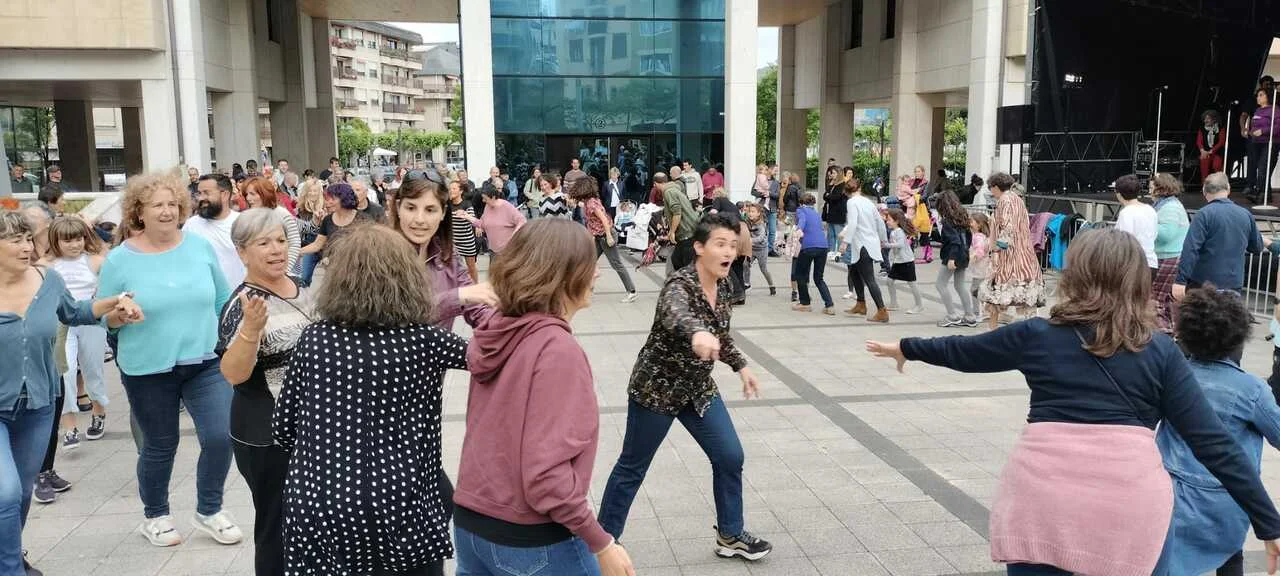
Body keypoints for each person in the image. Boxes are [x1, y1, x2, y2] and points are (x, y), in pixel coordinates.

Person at [866, 228, 1280, 576]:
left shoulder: (1036, 335)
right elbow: (1214, 444)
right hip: (1129, 507)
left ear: (1075, 275)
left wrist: (907, 347)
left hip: (1041, 502)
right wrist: (1268, 523)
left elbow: (963, 351)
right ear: (1138, 281)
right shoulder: (1159, 351)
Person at [273, 224, 466, 576]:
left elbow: (283, 428)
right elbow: (495, 357)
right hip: (402, 506)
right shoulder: (426, 341)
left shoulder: (314, 339)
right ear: (408, 280)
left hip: (320, 506)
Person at [451, 220, 633, 576]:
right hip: (531, 539)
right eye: (589, 264)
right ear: (562, 275)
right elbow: (546, 476)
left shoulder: (497, 331)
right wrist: (601, 542)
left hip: (472, 525)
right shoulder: (557, 349)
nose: (597, 272)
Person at [598, 214, 772, 563]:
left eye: (733, 245)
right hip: (657, 389)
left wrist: (741, 366)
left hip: (698, 389)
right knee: (632, 467)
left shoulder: (724, 285)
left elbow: (721, 335)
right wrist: (697, 332)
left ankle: (730, 534)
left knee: (730, 456)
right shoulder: (679, 284)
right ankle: (601, 544)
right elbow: (675, 313)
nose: (729, 252)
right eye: (720, 244)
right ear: (699, 248)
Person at [96, 169, 243, 547]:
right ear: (138, 212)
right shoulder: (119, 260)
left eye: (172, 204)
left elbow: (221, 300)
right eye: (156, 205)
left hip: (205, 361)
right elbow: (103, 316)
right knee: (160, 445)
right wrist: (119, 315)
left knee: (220, 436)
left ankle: (209, 509)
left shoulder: (199, 247)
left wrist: (234, 341)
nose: (166, 211)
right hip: (148, 367)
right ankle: (156, 515)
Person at [0, 211, 141, 576]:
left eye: (27, 239)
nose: (26, 247)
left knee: (23, 493)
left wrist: (114, 303)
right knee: (5, 493)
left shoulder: (47, 279)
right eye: (14, 241)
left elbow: (75, 312)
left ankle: (9, 555)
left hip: (38, 405)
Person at [1153, 287, 1278, 575]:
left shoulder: (1173, 375)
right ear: (1239, 338)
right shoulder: (1252, 389)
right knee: (1230, 557)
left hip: (1171, 496)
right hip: (1228, 498)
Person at [216, 208, 314, 576]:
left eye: (280, 240)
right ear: (242, 252)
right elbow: (234, 374)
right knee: (277, 526)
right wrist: (251, 330)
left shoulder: (302, 287)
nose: (276, 249)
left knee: (311, 523)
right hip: (267, 435)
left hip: (312, 430)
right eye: (263, 243)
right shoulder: (243, 303)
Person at [47, 217, 111, 450]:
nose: (74, 244)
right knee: (65, 372)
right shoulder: (47, 265)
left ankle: (99, 411)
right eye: (67, 240)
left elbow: (110, 286)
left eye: (78, 239)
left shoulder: (96, 261)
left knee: (93, 370)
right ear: (56, 241)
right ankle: (70, 426)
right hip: (60, 324)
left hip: (91, 321)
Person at [1174, 172, 1263, 299]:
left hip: (1203, 283)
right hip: (1233, 283)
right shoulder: (1245, 214)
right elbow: (1257, 247)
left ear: (1204, 191)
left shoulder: (1203, 214)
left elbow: (1191, 249)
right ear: (1228, 188)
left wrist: (1181, 280)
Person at [979, 172, 1045, 329]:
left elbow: (1008, 228)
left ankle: (993, 330)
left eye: (991, 188)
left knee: (996, 292)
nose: (991, 191)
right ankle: (1031, 329)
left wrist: (997, 250)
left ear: (996, 187)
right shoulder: (1017, 199)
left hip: (1009, 255)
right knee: (1026, 294)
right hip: (1025, 252)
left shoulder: (1005, 200)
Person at [567, 177, 638, 303]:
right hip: (600, 236)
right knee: (589, 261)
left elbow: (604, 220)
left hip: (605, 236)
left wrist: (609, 237)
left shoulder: (592, 203)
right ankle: (587, 290)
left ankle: (631, 291)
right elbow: (581, 206)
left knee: (616, 264)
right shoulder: (589, 201)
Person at [839, 179, 889, 322]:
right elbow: (880, 222)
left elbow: (853, 223)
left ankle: (882, 310)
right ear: (859, 189)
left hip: (861, 245)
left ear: (846, 192)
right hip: (868, 243)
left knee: (869, 279)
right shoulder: (868, 202)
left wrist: (845, 242)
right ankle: (861, 304)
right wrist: (883, 239)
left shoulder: (851, 202)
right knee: (854, 272)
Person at [187, 174, 246, 287]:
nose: (201, 198)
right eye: (199, 193)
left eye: (206, 193)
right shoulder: (191, 225)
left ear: (224, 195)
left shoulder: (243, 223)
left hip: (239, 293)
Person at [297, 182, 371, 266]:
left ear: (344, 199)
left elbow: (368, 247)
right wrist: (296, 252)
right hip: (334, 267)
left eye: (332, 199)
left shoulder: (363, 219)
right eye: (327, 199)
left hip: (356, 266)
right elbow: (317, 245)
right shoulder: (328, 220)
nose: (327, 202)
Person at [1151, 173, 1189, 332]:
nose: (1150, 190)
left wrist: (1147, 226)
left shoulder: (1170, 208)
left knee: (1158, 298)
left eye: (1152, 187)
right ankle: (1168, 331)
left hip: (1168, 257)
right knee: (1163, 298)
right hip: (1167, 255)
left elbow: (1167, 234)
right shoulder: (1167, 205)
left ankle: (1162, 332)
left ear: (1161, 188)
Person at [934, 190, 977, 327]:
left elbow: (954, 241)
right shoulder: (963, 216)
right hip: (963, 254)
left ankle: (952, 315)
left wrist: (951, 259)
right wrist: (966, 252)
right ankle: (970, 316)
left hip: (952, 255)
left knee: (940, 284)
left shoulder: (948, 221)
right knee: (960, 285)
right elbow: (968, 237)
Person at [241, 177, 300, 274]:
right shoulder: (247, 216)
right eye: (246, 194)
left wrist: (284, 269)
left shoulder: (281, 214)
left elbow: (294, 243)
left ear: (264, 194)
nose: (248, 198)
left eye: (252, 194)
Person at [457, 184, 526, 265]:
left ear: (493, 197)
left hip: (507, 252)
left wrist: (514, 236)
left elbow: (522, 221)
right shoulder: (488, 206)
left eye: (485, 198)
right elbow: (482, 224)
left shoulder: (506, 206)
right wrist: (467, 216)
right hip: (493, 251)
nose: (483, 201)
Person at [791, 193, 835, 315]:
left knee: (800, 274)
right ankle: (829, 305)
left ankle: (805, 303)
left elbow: (802, 221)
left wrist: (799, 229)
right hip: (823, 246)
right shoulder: (816, 213)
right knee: (819, 278)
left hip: (809, 246)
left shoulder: (801, 210)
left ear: (801, 203)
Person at [1113, 174, 1158, 276]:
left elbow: (1125, 241)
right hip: (1151, 262)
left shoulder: (1126, 213)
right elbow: (1154, 234)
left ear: (1119, 194)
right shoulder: (1150, 209)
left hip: (1133, 265)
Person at [883, 208, 924, 314]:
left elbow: (900, 244)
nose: (887, 222)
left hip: (906, 261)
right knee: (889, 281)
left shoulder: (899, 232)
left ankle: (919, 305)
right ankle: (894, 304)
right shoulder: (893, 232)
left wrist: (887, 245)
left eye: (889, 220)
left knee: (912, 283)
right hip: (898, 261)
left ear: (896, 221)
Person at [663, 166, 701, 275]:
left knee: (685, 264)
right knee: (676, 259)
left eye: (671, 173)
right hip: (687, 230)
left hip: (686, 231)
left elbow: (677, 212)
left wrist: (672, 231)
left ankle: (689, 280)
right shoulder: (680, 184)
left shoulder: (672, 190)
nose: (670, 175)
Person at [1248, 88, 1280, 203]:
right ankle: (1266, 195)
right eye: (1257, 95)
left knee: (1263, 169)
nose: (1258, 97)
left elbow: (1278, 127)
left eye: (1261, 95)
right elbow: (1254, 125)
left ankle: (1259, 194)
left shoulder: (1275, 109)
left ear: (1268, 97)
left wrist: (1263, 131)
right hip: (1256, 143)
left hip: (1270, 143)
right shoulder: (1257, 110)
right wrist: (1251, 132)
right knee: (1262, 170)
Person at [294, 180, 326, 287]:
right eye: (310, 191)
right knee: (304, 278)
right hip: (308, 244)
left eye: (315, 191)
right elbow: (304, 228)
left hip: (325, 243)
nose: (312, 193)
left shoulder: (326, 206)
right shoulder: (300, 208)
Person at [447, 180, 480, 282]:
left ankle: (475, 286)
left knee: (471, 267)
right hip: (453, 242)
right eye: (450, 189)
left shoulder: (467, 204)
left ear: (460, 191)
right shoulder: (447, 204)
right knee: (452, 268)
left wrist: (466, 215)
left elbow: (473, 220)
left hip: (467, 242)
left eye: (454, 188)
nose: (451, 191)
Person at [744, 203, 775, 296]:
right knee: (745, 264)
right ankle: (747, 284)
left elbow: (761, 238)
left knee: (763, 269)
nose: (750, 213)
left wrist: (750, 240)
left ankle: (771, 285)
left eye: (753, 211)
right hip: (752, 249)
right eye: (749, 211)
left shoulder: (761, 224)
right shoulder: (747, 222)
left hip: (762, 249)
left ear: (758, 213)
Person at [968, 213, 992, 323]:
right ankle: (985, 311)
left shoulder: (978, 237)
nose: (969, 223)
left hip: (980, 268)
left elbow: (979, 250)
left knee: (975, 290)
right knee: (981, 290)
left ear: (979, 224)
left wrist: (971, 258)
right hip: (983, 268)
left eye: (971, 221)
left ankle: (977, 313)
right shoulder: (984, 236)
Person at [1198, 110, 1226, 184]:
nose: (1205, 120)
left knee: (1217, 165)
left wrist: (1211, 151)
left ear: (1214, 119)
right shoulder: (1202, 128)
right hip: (1205, 152)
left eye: (1208, 118)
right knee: (1204, 165)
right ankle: (1205, 186)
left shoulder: (1220, 128)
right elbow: (1199, 141)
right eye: (1205, 119)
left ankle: (1219, 185)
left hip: (1217, 152)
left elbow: (1221, 142)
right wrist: (1202, 151)